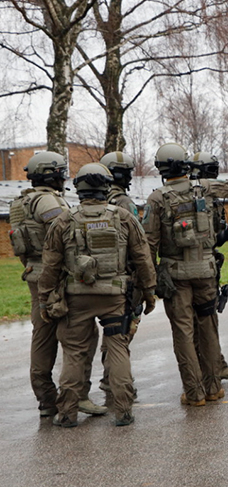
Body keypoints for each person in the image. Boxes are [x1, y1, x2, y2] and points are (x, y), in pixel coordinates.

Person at [142, 143, 228, 406]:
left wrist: (149, 282)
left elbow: (149, 245)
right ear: (185, 166)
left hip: (176, 278)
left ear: (161, 169)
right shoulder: (204, 187)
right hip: (206, 273)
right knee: (208, 328)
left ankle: (194, 393)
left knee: (184, 334)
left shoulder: (156, 199)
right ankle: (213, 388)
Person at [37, 163, 157, 427]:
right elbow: (142, 257)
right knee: (117, 349)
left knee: (74, 353)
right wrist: (149, 291)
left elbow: (50, 266)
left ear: (78, 188)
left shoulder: (64, 220)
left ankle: (67, 414)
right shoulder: (124, 217)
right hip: (115, 297)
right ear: (106, 187)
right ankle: (124, 410)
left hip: (76, 297)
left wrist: (44, 299)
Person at [8, 151, 107, 418]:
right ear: (51, 174)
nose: (64, 177)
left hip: (33, 274)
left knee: (42, 336)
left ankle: (46, 400)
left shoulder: (20, 202)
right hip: (56, 276)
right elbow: (66, 233)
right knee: (79, 337)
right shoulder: (47, 201)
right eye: (61, 172)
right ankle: (77, 397)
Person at [190, 151, 228, 380]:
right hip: (197, 266)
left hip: (204, 263)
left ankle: (213, 365)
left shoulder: (200, 194)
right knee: (202, 320)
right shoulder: (195, 194)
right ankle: (208, 371)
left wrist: (219, 237)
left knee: (204, 319)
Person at [97, 151, 142, 405]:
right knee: (122, 331)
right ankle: (115, 380)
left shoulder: (94, 199)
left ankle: (109, 377)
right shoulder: (124, 203)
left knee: (112, 331)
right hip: (126, 277)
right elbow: (139, 240)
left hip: (101, 276)